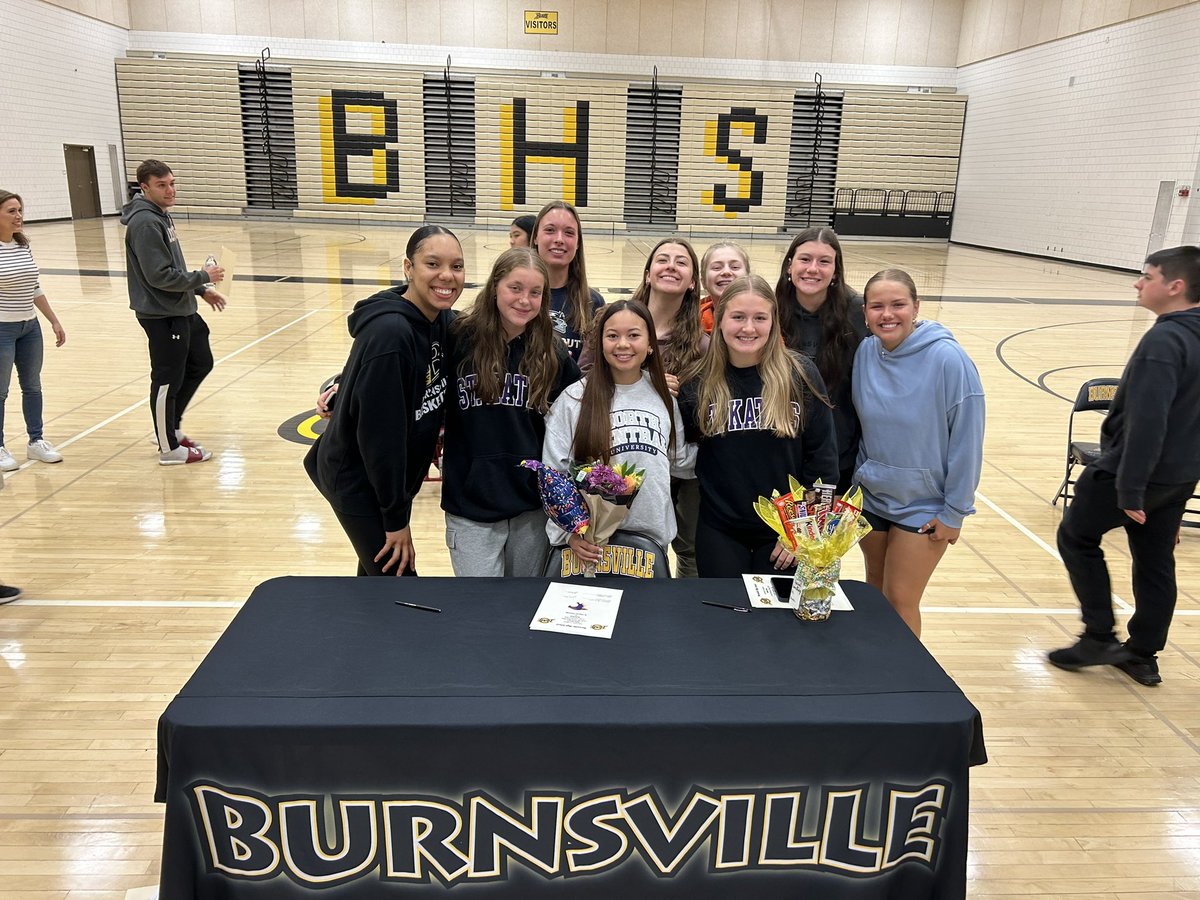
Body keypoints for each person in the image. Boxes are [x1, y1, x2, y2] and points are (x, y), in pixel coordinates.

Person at [1049, 245, 1200, 686]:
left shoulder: (1165, 340)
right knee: (1155, 561)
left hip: (1133, 473)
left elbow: (1147, 421)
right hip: (1178, 477)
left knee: (1076, 536)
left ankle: (1098, 636)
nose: (1138, 283)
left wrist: (1131, 490)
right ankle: (1142, 654)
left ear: (1175, 286)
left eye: (1148, 276)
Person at [305, 225, 463, 576]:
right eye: (433, 264)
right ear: (408, 268)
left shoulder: (439, 319)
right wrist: (395, 520)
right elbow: (382, 441)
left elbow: (372, 369)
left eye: (456, 266)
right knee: (398, 580)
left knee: (374, 579)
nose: (446, 276)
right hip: (358, 480)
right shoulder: (391, 331)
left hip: (388, 482)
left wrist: (342, 388)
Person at [853, 269, 985, 638]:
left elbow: (967, 442)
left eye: (898, 304)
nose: (887, 314)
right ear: (865, 312)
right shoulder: (865, 352)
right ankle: (875, 664)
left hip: (924, 505)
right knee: (874, 592)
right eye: (877, 306)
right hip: (873, 497)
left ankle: (902, 671)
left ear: (916, 307)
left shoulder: (949, 360)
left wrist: (955, 512)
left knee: (900, 599)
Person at [679, 274, 838, 578]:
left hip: (786, 530)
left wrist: (804, 528)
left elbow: (823, 461)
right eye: (738, 317)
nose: (748, 328)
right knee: (724, 608)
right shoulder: (696, 383)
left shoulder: (800, 374)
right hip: (720, 529)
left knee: (778, 611)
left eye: (760, 318)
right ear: (719, 319)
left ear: (773, 322)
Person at [442, 247, 580, 576]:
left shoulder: (553, 353)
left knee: (524, 601)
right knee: (481, 603)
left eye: (535, 292)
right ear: (495, 287)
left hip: (530, 509)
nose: (524, 300)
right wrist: (343, 385)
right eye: (515, 288)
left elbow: (582, 408)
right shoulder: (459, 338)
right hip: (470, 506)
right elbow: (410, 367)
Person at [542, 299, 694, 570]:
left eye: (633, 335)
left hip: (651, 544)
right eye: (612, 336)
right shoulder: (573, 399)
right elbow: (554, 476)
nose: (623, 344)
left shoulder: (663, 396)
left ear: (650, 344)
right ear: (600, 343)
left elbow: (678, 459)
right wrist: (569, 534)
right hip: (590, 547)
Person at [121, 160, 227, 465]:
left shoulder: (160, 215)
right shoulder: (146, 222)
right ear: (144, 188)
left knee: (200, 361)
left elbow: (173, 267)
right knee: (167, 379)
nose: (170, 190)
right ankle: (168, 447)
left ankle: (171, 428)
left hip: (181, 308)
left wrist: (200, 290)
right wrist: (203, 276)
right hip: (162, 314)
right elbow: (159, 276)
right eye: (161, 185)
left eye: (171, 183)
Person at [626, 238, 709, 578]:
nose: (671, 266)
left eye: (681, 262)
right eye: (663, 259)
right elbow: (589, 378)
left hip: (686, 466)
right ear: (648, 274)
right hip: (632, 457)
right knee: (633, 542)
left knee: (690, 549)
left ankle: (686, 606)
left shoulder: (703, 345)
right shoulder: (617, 323)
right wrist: (646, 382)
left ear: (692, 282)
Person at [775, 227, 867, 493]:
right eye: (805, 259)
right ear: (789, 265)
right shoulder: (770, 310)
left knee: (823, 520)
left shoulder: (858, 313)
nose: (813, 269)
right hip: (783, 452)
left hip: (838, 458)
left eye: (824, 261)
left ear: (836, 271)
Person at [0, 190, 66, 472]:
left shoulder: (21, 244)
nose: (19, 216)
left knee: (32, 386)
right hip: (2, 329)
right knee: (1, 391)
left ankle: (36, 441)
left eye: (20, 210)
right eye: (11, 211)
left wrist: (53, 320)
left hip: (30, 327)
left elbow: (34, 287)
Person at [531, 201, 604, 363]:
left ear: (578, 243)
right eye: (550, 230)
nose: (559, 239)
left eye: (569, 233)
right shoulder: (518, 297)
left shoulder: (593, 302)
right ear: (535, 237)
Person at [698, 241, 750, 334]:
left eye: (735, 267)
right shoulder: (688, 323)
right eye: (717, 267)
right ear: (704, 282)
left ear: (749, 278)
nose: (726, 272)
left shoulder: (768, 320)